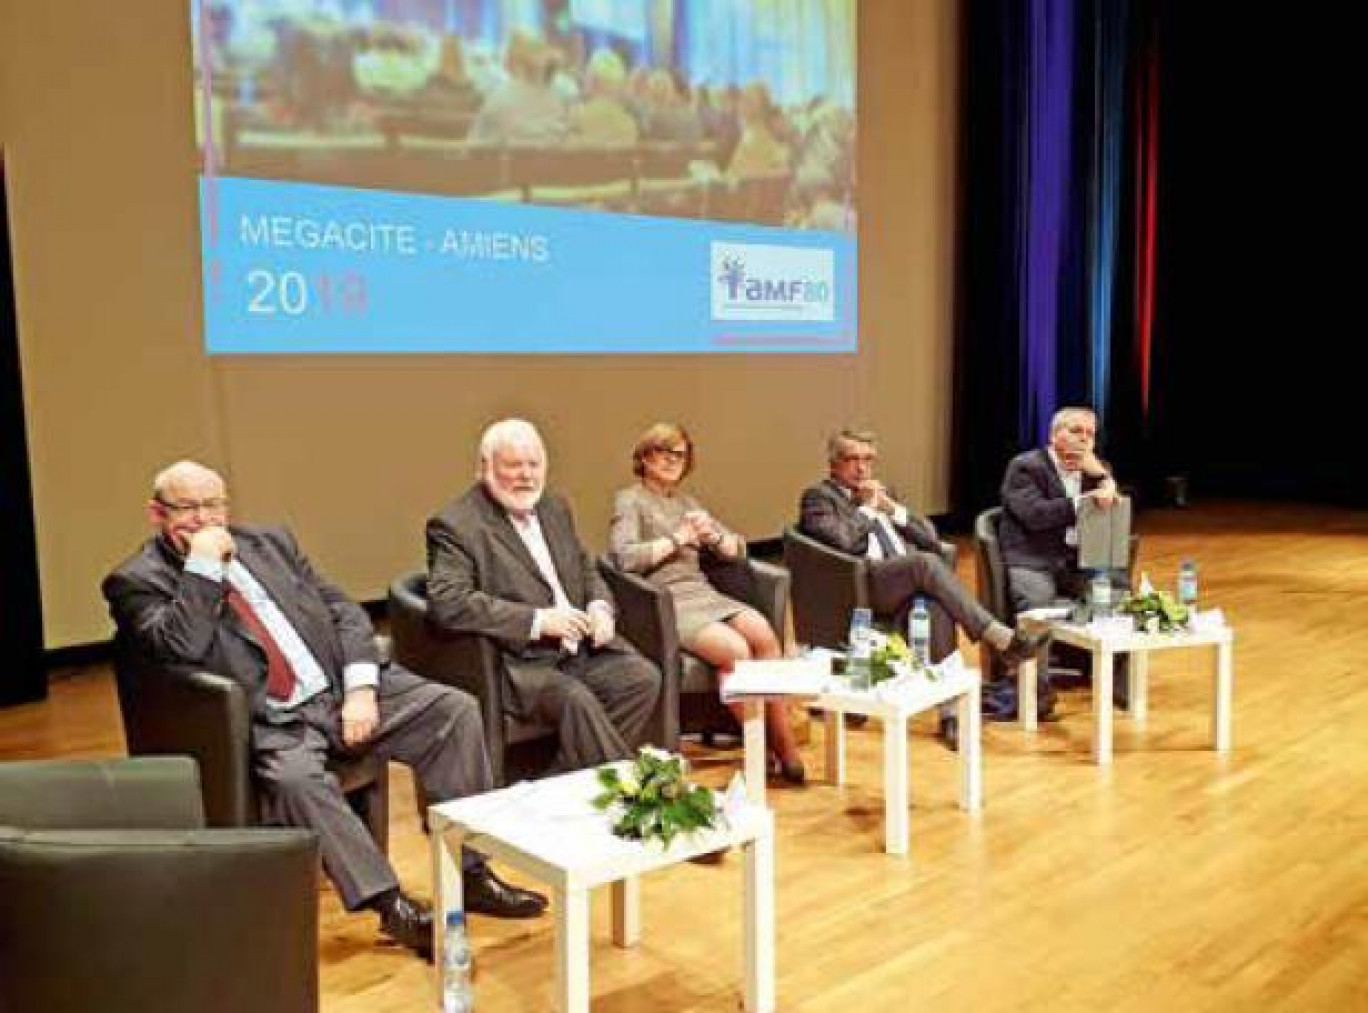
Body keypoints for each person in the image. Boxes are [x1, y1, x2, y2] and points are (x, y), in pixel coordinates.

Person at [103, 461, 546, 962]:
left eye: (214, 505)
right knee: (296, 780)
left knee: (454, 711)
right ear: (156, 514)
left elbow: (344, 611)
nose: (205, 519)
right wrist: (203, 567)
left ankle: (471, 870)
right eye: (188, 509)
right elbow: (180, 647)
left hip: (337, 685)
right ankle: (391, 905)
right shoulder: (135, 581)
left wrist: (360, 688)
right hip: (269, 717)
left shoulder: (270, 543)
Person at [426, 419, 662, 771]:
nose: (526, 476)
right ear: (484, 467)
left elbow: (584, 568)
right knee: (576, 701)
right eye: (513, 465)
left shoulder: (555, 507)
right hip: (519, 662)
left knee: (641, 678)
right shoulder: (456, 525)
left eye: (533, 465)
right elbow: (448, 602)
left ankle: (559, 787)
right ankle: (631, 788)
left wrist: (600, 607)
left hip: (579, 649)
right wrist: (538, 621)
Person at [799, 430, 1044, 744]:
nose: (862, 469)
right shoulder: (819, 498)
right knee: (924, 564)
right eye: (852, 460)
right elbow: (846, 542)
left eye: (868, 460)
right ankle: (998, 636)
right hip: (863, 584)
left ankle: (950, 715)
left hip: (904, 581)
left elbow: (929, 537)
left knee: (936, 607)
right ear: (834, 465)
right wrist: (868, 510)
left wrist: (891, 509)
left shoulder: (881, 495)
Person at [609, 423, 805, 784]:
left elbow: (739, 548)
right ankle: (762, 745)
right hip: (664, 600)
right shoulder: (630, 500)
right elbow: (624, 558)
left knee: (763, 633)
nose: (672, 460)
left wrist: (715, 537)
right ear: (645, 457)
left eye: (679, 455)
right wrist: (676, 539)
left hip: (702, 592)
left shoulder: (688, 503)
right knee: (736, 649)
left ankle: (783, 743)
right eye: (663, 452)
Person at [998, 406, 1128, 709]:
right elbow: (1034, 516)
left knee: (1119, 595)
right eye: (1075, 431)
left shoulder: (1096, 469)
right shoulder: (1025, 466)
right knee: (1039, 606)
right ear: (1054, 435)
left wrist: (1104, 478)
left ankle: (1118, 687)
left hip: (1076, 563)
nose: (1083, 440)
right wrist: (1083, 502)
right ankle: (1035, 696)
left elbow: (1114, 508)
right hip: (1032, 559)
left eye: (1090, 435)